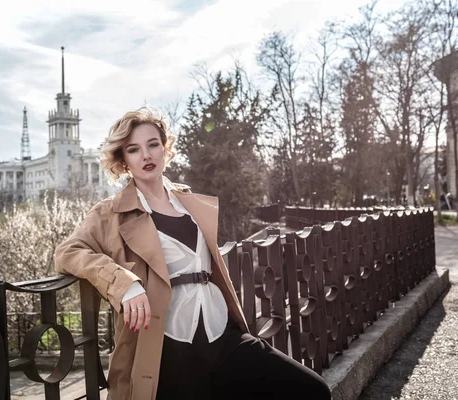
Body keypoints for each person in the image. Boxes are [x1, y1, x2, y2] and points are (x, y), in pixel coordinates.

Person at [54, 107, 331, 400]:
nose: (146, 155)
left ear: (165, 149)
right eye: (134, 150)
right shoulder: (110, 212)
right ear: (124, 161)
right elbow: (67, 252)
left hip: (221, 334)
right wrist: (124, 284)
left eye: (153, 145)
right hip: (168, 346)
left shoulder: (189, 201)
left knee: (312, 390)